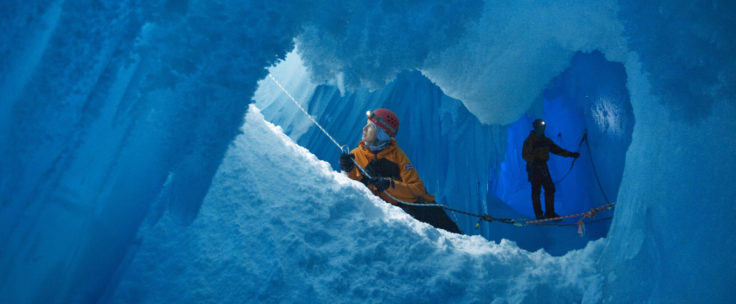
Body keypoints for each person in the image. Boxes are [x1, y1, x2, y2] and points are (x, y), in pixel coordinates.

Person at [339, 108, 462, 234]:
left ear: (382, 134)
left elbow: (417, 190)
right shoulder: (355, 155)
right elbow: (354, 190)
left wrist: (389, 185)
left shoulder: (398, 157)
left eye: (370, 127)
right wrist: (347, 170)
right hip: (383, 214)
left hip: (413, 210)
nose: (364, 129)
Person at [522, 119, 580, 220]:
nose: (542, 129)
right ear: (536, 128)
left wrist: (571, 154)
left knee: (550, 189)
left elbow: (557, 149)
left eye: (543, 127)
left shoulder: (545, 140)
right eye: (540, 127)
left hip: (543, 167)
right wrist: (534, 158)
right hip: (534, 168)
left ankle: (550, 213)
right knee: (536, 191)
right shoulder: (530, 140)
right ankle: (539, 214)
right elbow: (525, 155)